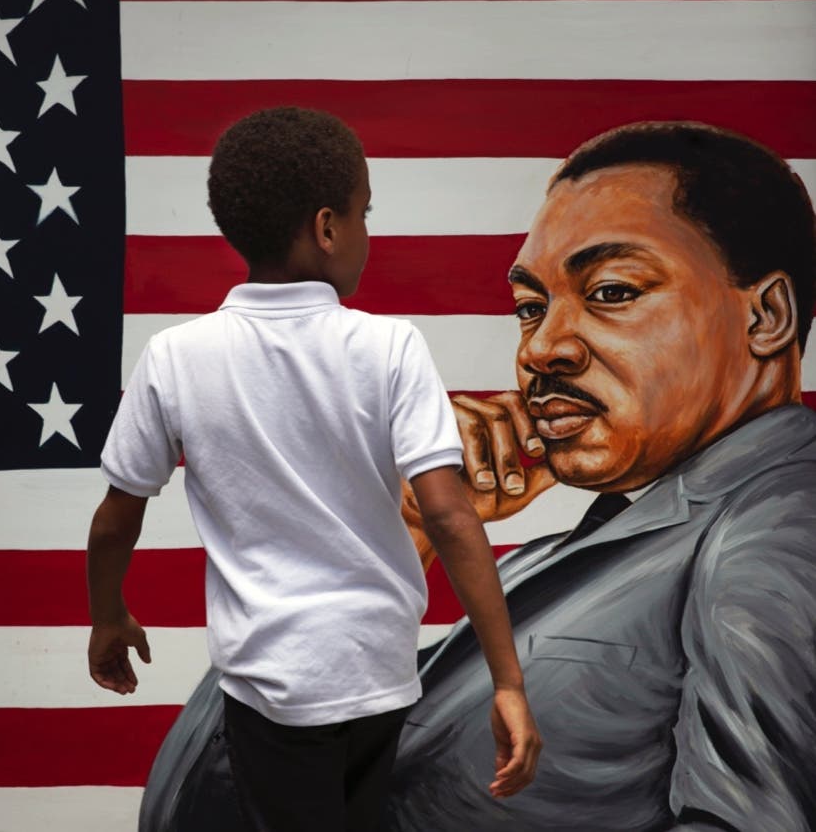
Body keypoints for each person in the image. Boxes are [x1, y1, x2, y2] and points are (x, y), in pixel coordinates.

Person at [140, 120, 816, 832]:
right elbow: (214, 801)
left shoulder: (777, 523)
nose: (543, 347)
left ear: (767, 316)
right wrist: (394, 525)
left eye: (613, 291)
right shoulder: (584, 551)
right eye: (531, 306)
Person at [86, 106, 542, 831]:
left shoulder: (176, 356)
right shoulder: (390, 346)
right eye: (365, 213)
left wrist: (108, 613)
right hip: (379, 673)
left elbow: (117, 517)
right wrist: (508, 680)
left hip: (272, 682)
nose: (368, 233)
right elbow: (451, 516)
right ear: (328, 228)